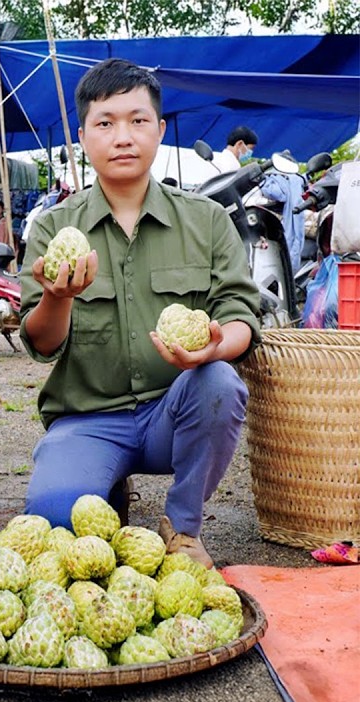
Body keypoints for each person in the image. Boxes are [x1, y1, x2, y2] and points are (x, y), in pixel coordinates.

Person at [19, 59, 260, 569]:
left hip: (172, 412)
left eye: (137, 120)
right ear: (82, 135)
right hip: (86, 420)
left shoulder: (206, 220)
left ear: (160, 130)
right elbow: (40, 344)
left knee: (219, 382)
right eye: (105, 123)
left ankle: (184, 526)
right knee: (54, 519)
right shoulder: (54, 228)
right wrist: (58, 297)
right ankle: (102, 486)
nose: (122, 136)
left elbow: (241, 311)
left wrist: (217, 347)